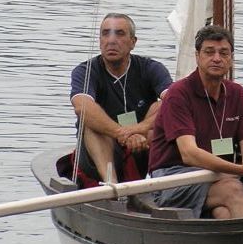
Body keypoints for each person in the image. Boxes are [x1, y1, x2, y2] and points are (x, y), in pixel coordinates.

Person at [148, 25, 243, 219]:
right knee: (233, 190)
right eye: (209, 52)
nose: (217, 58)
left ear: (231, 59)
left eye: (223, 53)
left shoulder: (237, 94)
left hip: (218, 174)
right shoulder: (178, 94)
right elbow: (189, 154)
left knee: (224, 212)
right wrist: (241, 170)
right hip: (173, 178)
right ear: (197, 56)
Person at [70, 13, 172, 183]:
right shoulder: (85, 71)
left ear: (133, 42)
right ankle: (112, 185)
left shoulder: (151, 68)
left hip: (141, 144)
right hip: (101, 152)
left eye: (120, 33)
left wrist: (139, 129)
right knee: (88, 121)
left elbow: (174, 101)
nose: (111, 40)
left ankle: (161, 183)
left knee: (160, 107)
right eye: (105, 33)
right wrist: (121, 133)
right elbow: (81, 106)